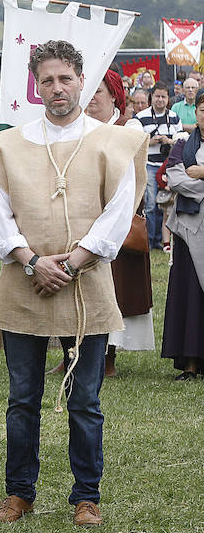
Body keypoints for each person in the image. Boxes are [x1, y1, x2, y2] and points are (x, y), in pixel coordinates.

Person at [0, 40, 147, 529]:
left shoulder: (112, 141)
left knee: (85, 400)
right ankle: (19, 494)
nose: (57, 88)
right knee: (22, 399)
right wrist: (32, 261)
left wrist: (71, 264)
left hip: (86, 284)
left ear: (82, 81)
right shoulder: (8, 145)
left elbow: (118, 214)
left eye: (66, 79)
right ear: (36, 86)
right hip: (23, 282)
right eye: (47, 80)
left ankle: (86, 496)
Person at [84, 71, 153, 376]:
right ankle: (74, 350)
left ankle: (108, 356)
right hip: (84, 216)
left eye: (97, 92)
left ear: (113, 95)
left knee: (116, 287)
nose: (91, 100)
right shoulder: (78, 128)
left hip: (118, 218)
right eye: (87, 94)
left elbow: (134, 174)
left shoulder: (129, 126)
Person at [161, 87, 204, 379]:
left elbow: (188, 178)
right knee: (190, 295)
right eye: (203, 110)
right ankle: (189, 363)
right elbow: (174, 178)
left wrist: (202, 172)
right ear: (196, 113)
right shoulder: (183, 144)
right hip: (189, 229)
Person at [135, 81, 183, 251]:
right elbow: (135, 141)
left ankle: (163, 241)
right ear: (151, 97)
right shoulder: (141, 117)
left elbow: (180, 141)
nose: (160, 100)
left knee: (166, 206)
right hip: (149, 164)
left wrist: (168, 140)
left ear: (168, 98)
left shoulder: (174, 117)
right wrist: (150, 140)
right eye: (157, 96)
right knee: (150, 204)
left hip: (168, 166)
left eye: (163, 96)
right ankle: (149, 240)